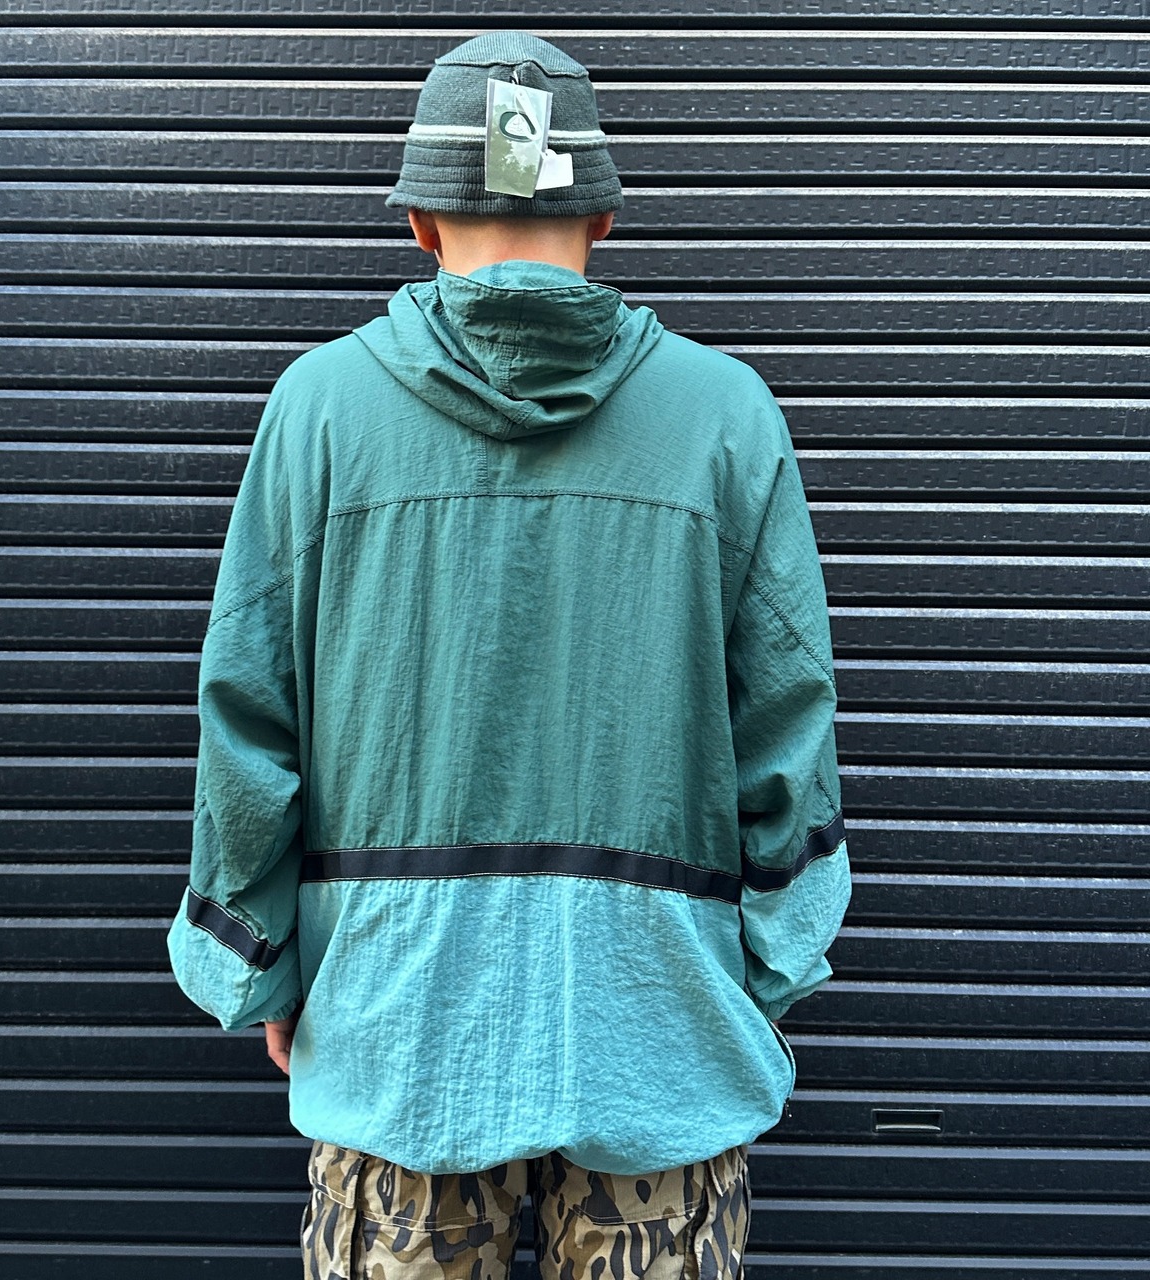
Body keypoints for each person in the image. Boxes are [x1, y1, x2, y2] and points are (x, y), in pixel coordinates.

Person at [166, 29, 851, 1280]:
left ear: (419, 223)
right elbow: (788, 723)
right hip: (661, 1030)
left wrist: (259, 959)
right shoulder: (726, 415)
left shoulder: (317, 410)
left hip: (396, 1033)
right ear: (602, 217)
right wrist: (767, 965)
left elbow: (248, 717)